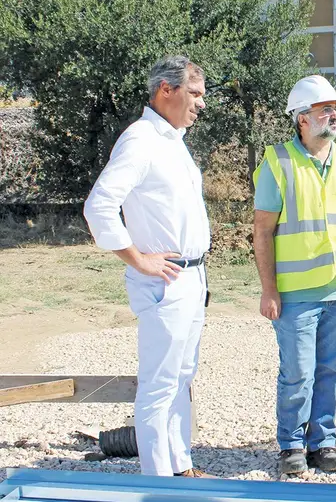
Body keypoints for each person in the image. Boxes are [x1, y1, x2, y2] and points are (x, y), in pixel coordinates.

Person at [83, 55, 212, 477]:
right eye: (194, 94)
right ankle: (158, 482)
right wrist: (137, 259)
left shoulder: (172, 140)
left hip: (191, 276)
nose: (201, 104)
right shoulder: (141, 140)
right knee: (159, 384)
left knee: (181, 377)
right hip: (166, 278)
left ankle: (180, 468)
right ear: (166, 90)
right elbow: (100, 205)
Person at [252, 75, 336, 475]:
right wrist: (268, 289)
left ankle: (323, 443)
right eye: (324, 109)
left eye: (334, 107)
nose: (333, 114)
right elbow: (263, 230)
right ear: (301, 118)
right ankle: (291, 444)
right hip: (296, 292)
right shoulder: (277, 162)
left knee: (333, 369)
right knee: (298, 372)